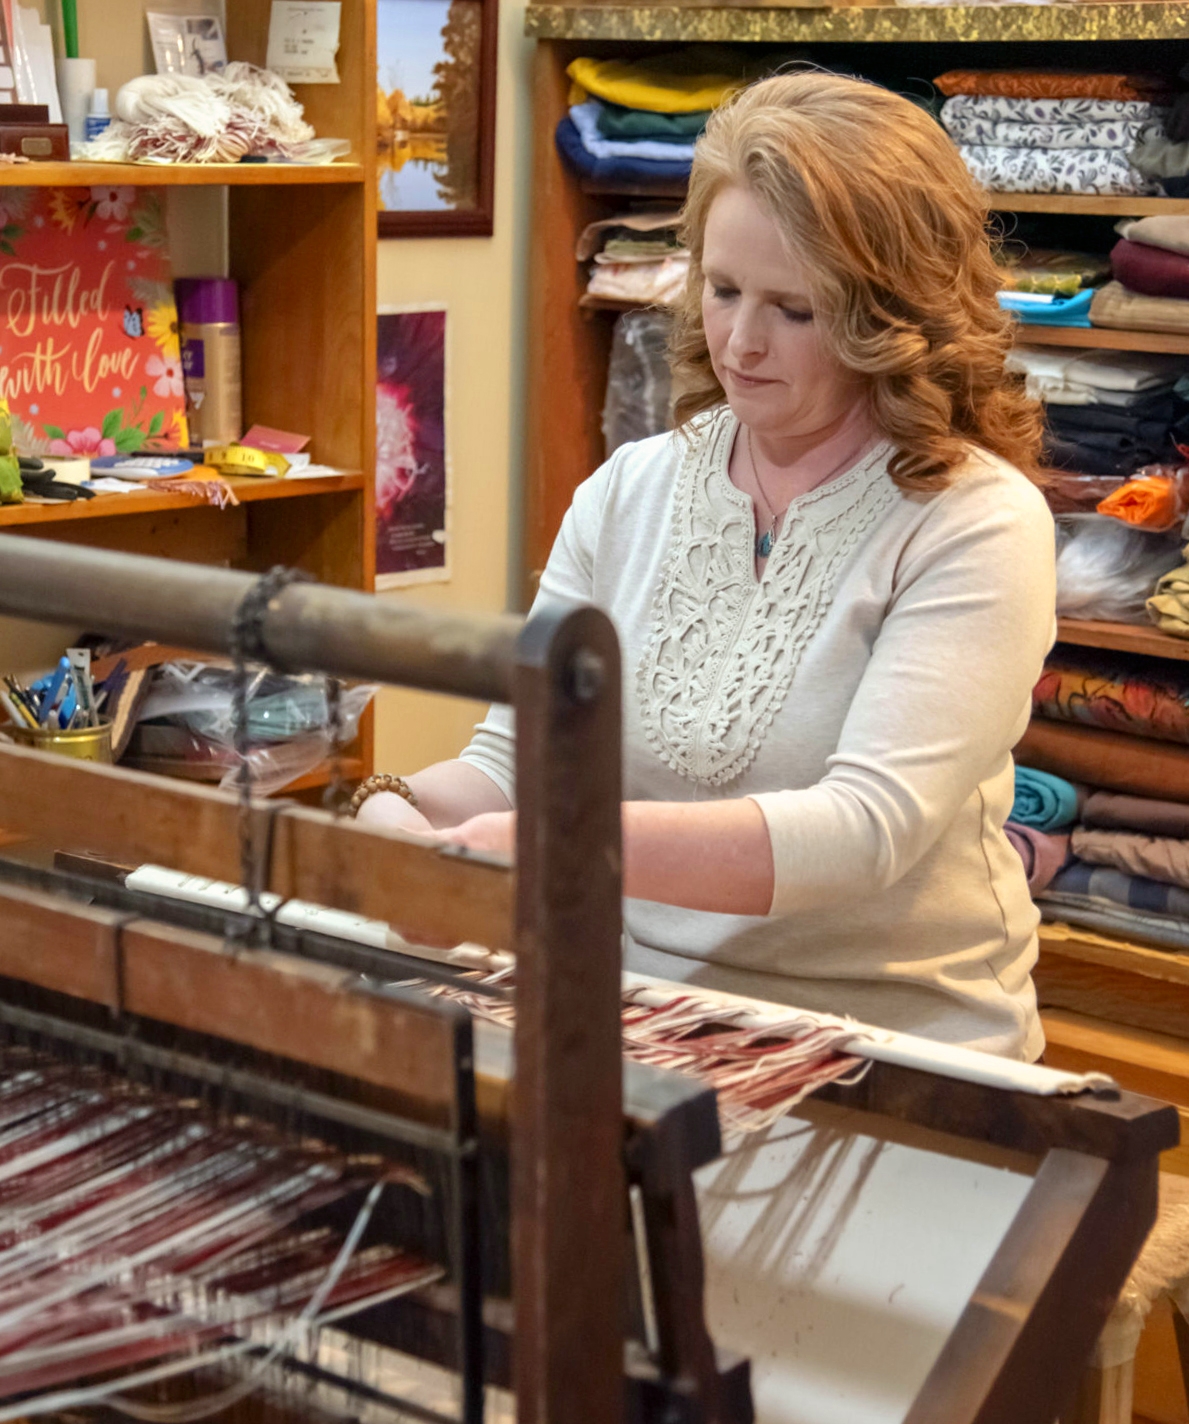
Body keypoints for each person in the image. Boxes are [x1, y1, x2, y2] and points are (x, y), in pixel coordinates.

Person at [356, 70, 1056, 1060]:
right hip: (652, 1033)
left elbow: (863, 832)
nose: (738, 339)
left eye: (794, 310)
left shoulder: (975, 523)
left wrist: (561, 843)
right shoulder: (630, 489)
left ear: (893, 314)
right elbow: (514, 766)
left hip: (899, 1059)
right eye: (721, 290)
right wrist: (392, 815)